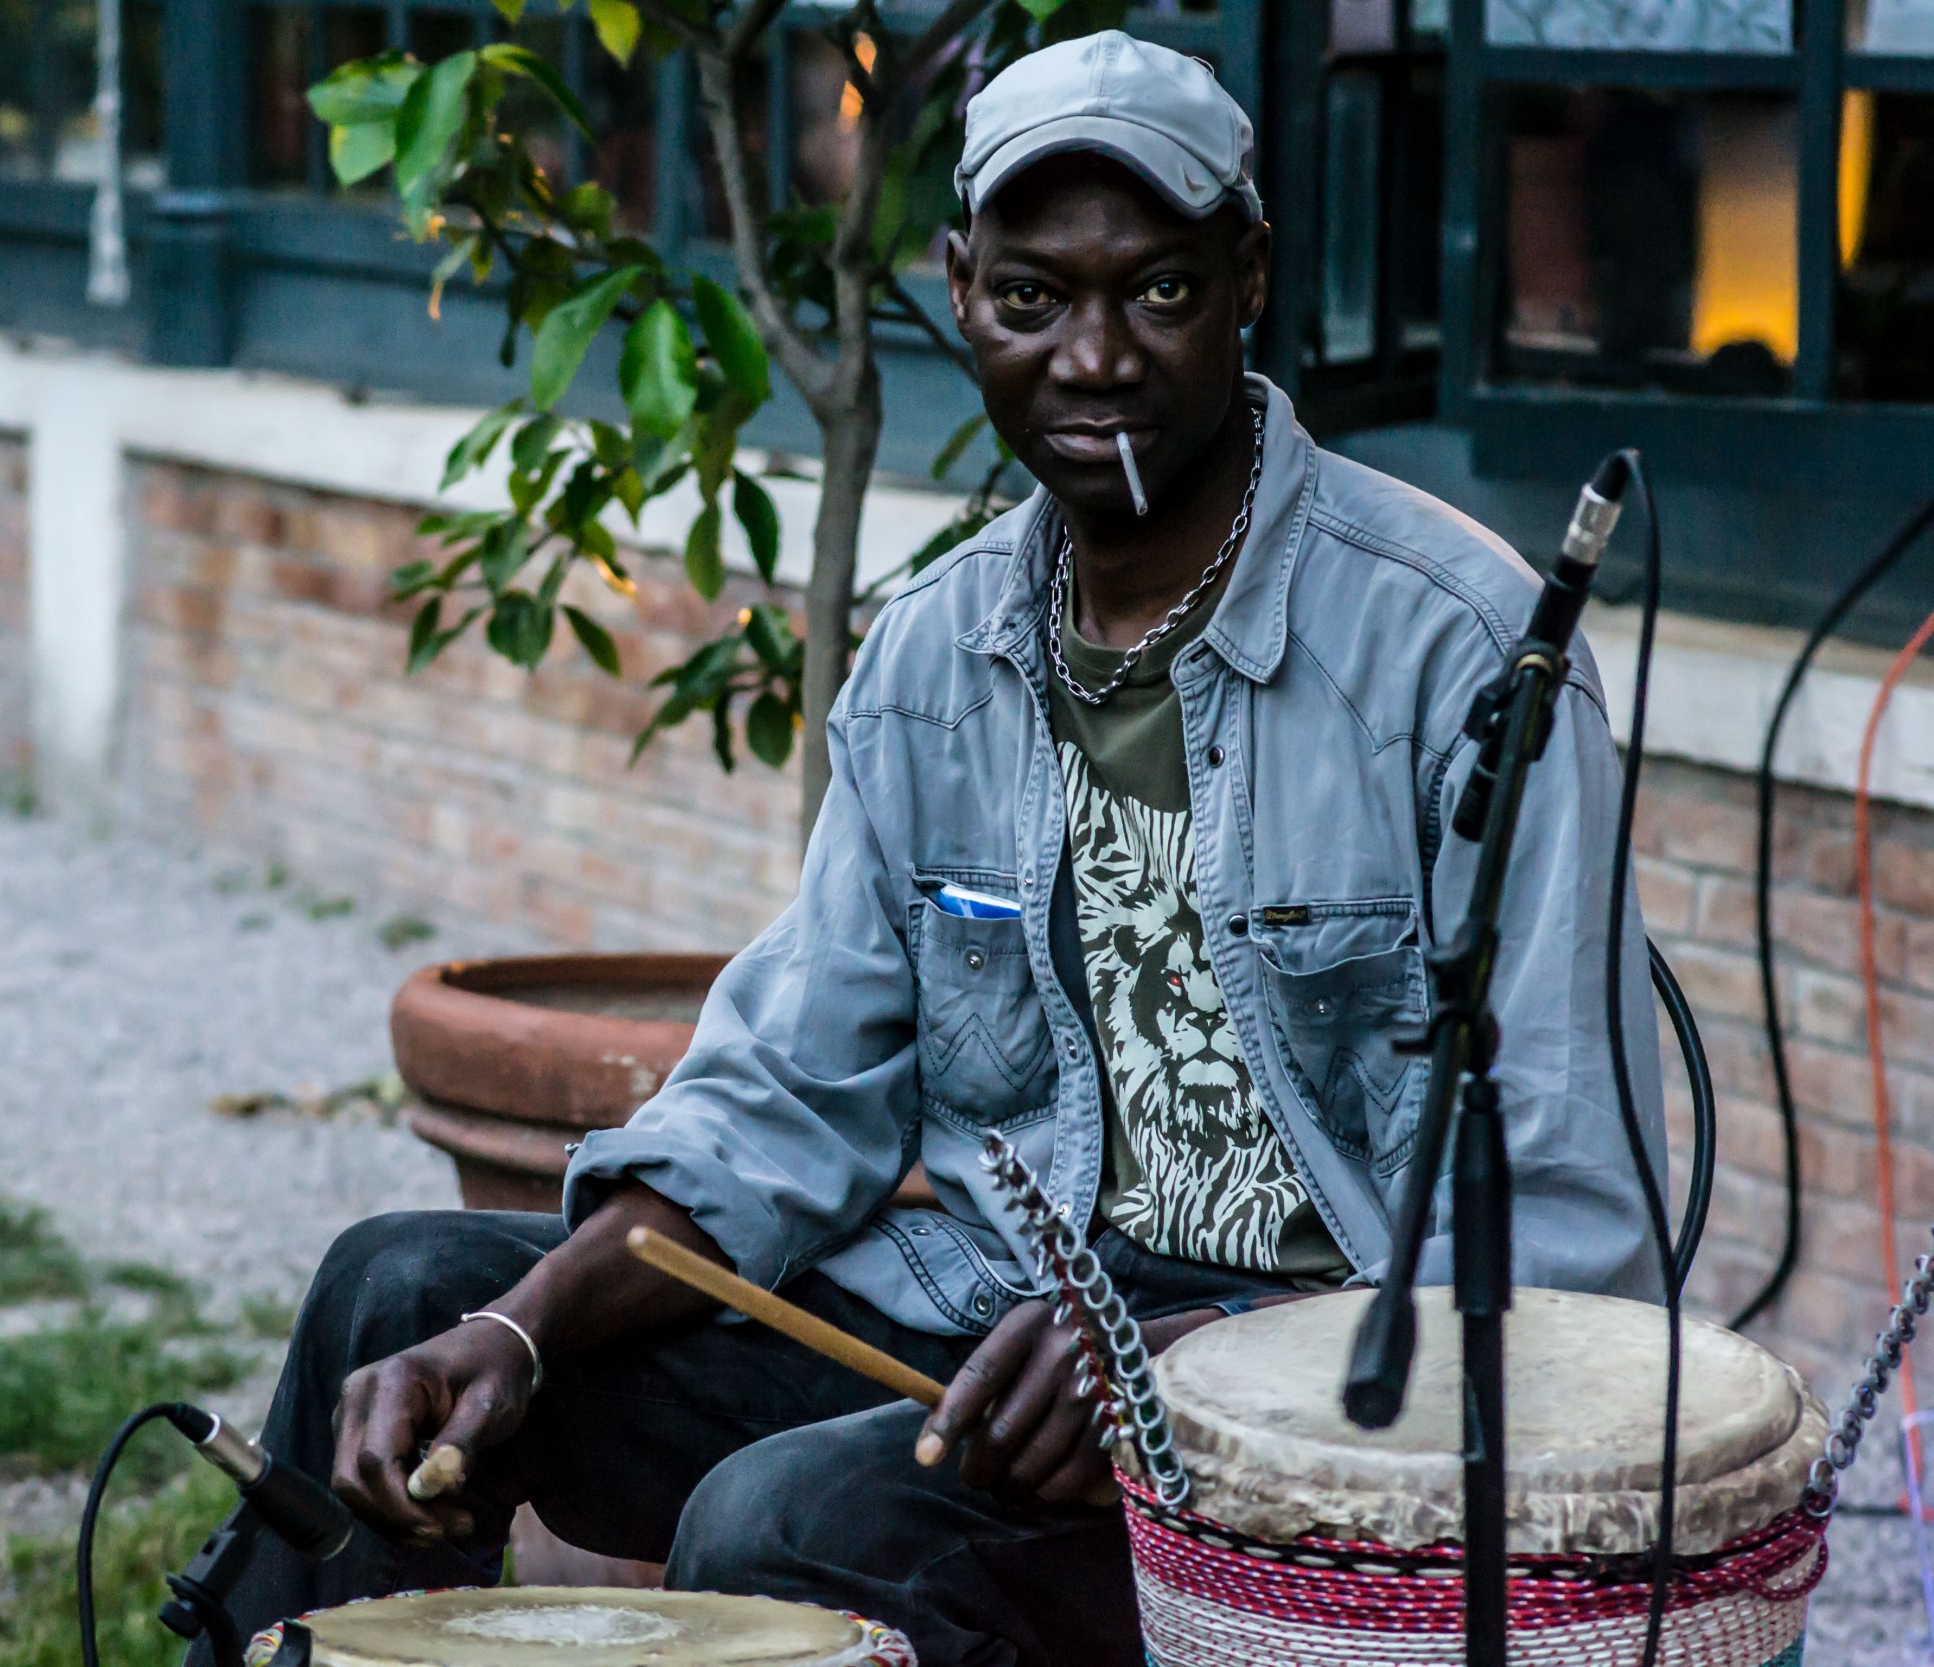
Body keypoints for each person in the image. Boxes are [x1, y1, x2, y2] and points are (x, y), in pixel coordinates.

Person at [192, 30, 1664, 1666]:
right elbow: (780, 1096)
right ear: (961, 291)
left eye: (1158, 292)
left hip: (1317, 1429)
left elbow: (1573, 1232)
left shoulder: (1459, 655)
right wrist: (520, 1331)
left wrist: (1184, 1362)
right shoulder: (935, 656)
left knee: (788, 1521)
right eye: (1032, 298)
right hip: (978, 1338)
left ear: (1248, 276)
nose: (1092, 356)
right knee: (402, 1293)